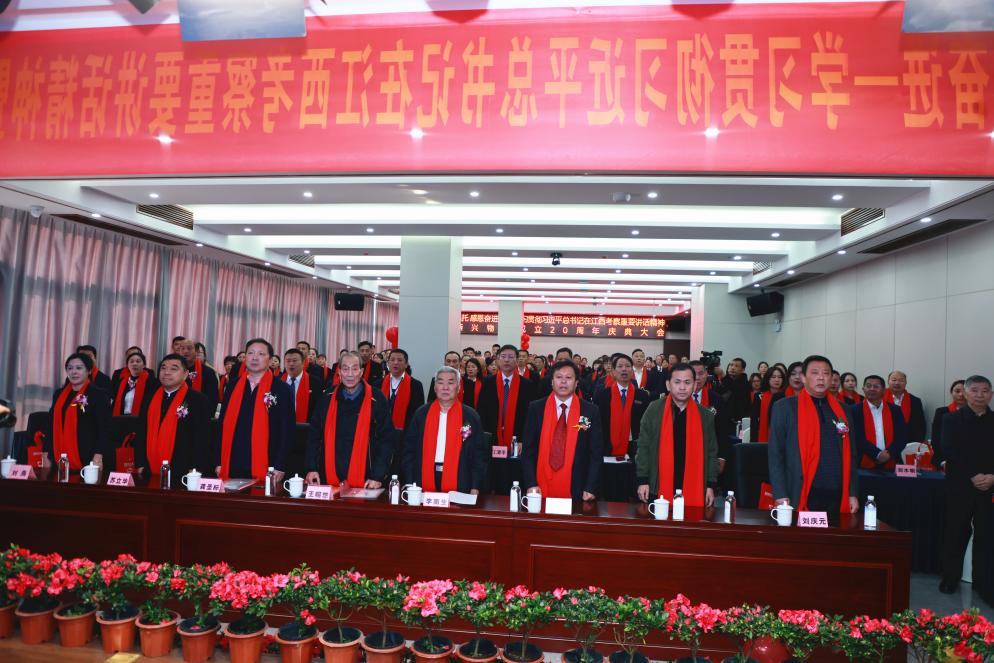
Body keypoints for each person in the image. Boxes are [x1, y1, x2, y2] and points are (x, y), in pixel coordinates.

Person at [769, 355, 859, 514]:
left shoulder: (844, 410)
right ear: (803, 377)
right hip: (800, 490)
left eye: (826, 373)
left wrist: (852, 492)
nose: (821, 378)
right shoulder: (784, 407)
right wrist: (780, 493)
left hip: (837, 492)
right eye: (815, 373)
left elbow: (851, 455)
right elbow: (776, 454)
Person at [938, 375, 994, 594]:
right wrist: (973, 475)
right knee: (955, 533)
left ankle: (983, 583)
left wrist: (992, 477)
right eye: (975, 390)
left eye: (985, 391)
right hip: (960, 486)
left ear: (991, 394)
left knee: (986, 535)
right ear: (965, 393)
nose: (980, 395)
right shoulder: (951, 419)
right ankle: (950, 578)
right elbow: (948, 450)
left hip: (989, 486)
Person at [635, 363, 719, 507]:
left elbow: (712, 452)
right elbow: (643, 447)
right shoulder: (654, 409)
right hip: (658, 482)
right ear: (668, 385)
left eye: (687, 382)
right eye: (677, 382)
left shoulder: (705, 415)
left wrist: (710, 485)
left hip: (694, 482)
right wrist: (642, 480)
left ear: (694, 385)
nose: (682, 387)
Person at [305, 351, 393, 488]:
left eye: (355, 369)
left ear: (361, 372)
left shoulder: (376, 398)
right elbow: (314, 435)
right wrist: (312, 468)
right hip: (328, 475)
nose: (350, 374)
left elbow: (386, 439)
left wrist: (377, 475)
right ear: (339, 372)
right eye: (345, 369)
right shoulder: (327, 397)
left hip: (367, 479)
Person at [521, 360, 603, 501]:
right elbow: (528, 450)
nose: (563, 382)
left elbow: (596, 453)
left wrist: (591, 487)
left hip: (578, 488)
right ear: (552, 382)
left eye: (568, 378)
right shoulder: (536, 408)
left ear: (576, 383)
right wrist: (531, 483)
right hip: (539, 487)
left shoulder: (590, 411)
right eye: (559, 377)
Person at [215, 339, 294, 482]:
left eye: (261, 354)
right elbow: (222, 424)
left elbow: (287, 430)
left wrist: (280, 465)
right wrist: (218, 461)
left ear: (270, 359)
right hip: (233, 460)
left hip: (268, 463)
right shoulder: (232, 386)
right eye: (250, 353)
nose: (255, 357)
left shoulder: (282, 389)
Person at [402, 366, 487, 493]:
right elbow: (409, 450)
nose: (445, 387)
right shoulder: (421, 414)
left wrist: (475, 485)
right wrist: (409, 481)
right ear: (435, 387)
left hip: (460, 478)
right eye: (440, 382)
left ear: (458, 387)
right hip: (423, 477)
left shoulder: (469, 417)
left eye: (451, 383)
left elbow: (478, 453)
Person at [134, 354, 211, 487]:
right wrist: (140, 463)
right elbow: (141, 432)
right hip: (149, 469)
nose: (167, 372)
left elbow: (202, 438)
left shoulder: (198, 400)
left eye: (173, 369)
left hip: (184, 471)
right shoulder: (149, 397)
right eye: (163, 368)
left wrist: (195, 469)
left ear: (185, 374)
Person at [45, 352, 111, 476]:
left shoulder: (98, 395)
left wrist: (98, 456)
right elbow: (50, 424)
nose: (74, 372)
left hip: (88, 458)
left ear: (89, 371)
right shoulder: (59, 394)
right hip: (58, 457)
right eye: (70, 368)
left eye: (79, 368)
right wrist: (46, 452)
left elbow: (104, 429)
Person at [479, 345, 536, 448]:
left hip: (517, 439)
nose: (506, 360)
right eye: (503, 356)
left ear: (517, 360)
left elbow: (529, 415)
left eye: (510, 357)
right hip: (492, 437)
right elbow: (482, 411)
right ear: (498, 360)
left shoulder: (527, 385)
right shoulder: (488, 382)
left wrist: (522, 439)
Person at [596, 353, 650, 458]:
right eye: (620, 366)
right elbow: (600, 422)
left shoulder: (642, 395)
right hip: (609, 445)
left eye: (628, 366)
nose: (624, 369)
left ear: (632, 371)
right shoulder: (604, 395)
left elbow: (646, 423)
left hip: (634, 447)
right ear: (613, 372)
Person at [850, 375, 907, 470]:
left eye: (876, 386)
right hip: (862, 463)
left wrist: (889, 453)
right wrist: (877, 454)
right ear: (863, 389)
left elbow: (902, 436)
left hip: (891, 461)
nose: (872, 389)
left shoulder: (895, 410)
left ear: (884, 390)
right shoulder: (854, 410)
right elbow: (855, 437)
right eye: (868, 386)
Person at [381, 348, 425, 431]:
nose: (395, 362)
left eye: (400, 360)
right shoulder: (378, 384)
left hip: (405, 431)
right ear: (388, 363)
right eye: (392, 360)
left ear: (406, 364)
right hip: (382, 431)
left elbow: (418, 412)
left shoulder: (416, 385)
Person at [178, 338, 220, 414]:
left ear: (196, 351)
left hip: (199, 414)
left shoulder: (208, 372)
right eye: (182, 349)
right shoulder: (175, 371)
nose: (185, 351)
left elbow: (212, 400)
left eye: (189, 348)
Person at [110, 350, 158, 416]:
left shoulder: (152, 382)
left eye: (138, 361)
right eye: (131, 362)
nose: (134, 364)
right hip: (122, 417)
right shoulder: (121, 382)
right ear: (127, 365)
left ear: (144, 365)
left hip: (142, 418)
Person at [931, 380, 966, 469]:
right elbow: (935, 438)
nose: (961, 394)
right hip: (944, 461)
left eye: (964, 391)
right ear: (951, 393)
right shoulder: (941, 412)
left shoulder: (976, 413)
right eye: (957, 391)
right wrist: (942, 461)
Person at [885, 371, 927, 443]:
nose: (897, 383)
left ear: (906, 383)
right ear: (888, 382)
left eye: (901, 380)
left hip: (908, 442)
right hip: (883, 442)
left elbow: (920, 425)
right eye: (894, 380)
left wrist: (916, 443)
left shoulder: (915, 401)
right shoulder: (879, 399)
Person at [282, 349, 320, 424]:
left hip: (306, 426)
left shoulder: (315, 382)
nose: (291, 364)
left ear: (303, 363)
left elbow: (318, 408)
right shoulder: (278, 382)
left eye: (295, 361)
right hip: (281, 426)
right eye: (288, 361)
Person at [751, 365, 787, 443]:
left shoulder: (786, 397)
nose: (777, 380)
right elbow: (754, 421)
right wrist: (753, 441)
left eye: (780, 377)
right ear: (768, 379)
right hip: (762, 437)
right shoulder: (759, 396)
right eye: (773, 377)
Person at [719, 357, 750, 421]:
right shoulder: (721, 381)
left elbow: (738, 392)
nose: (732, 368)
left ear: (743, 370)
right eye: (731, 365)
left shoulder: (746, 383)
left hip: (739, 418)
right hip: (722, 418)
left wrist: (724, 377)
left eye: (736, 366)